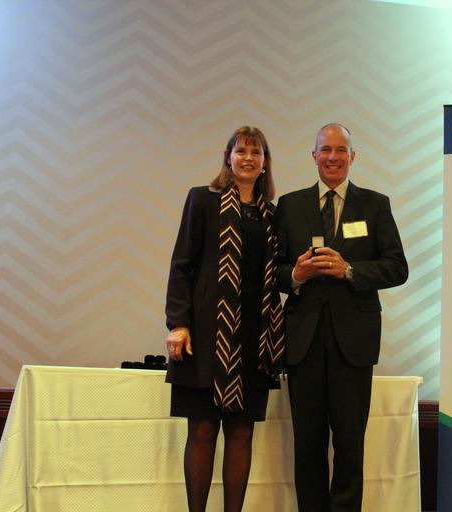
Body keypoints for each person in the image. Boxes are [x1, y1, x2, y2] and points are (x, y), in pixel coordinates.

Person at [275, 123, 408, 511]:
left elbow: (397, 267)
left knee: (350, 443)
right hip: (303, 340)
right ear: (313, 156)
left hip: (354, 340)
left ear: (353, 156)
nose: (332, 157)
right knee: (308, 442)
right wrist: (296, 274)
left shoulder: (375, 205)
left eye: (340, 150)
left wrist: (349, 270)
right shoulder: (290, 205)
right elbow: (271, 270)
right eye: (325, 150)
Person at [164, 126, 284, 512]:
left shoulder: (271, 215)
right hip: (205, 336)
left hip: (253, 339)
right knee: (202, 431)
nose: (248, 158)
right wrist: (178, 323)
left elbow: (278, 274)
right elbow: (182, 265)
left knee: (241, 433)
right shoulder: (203, 200)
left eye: (256, 152)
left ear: (264, 163)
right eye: (241, 151)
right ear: (228, 157)